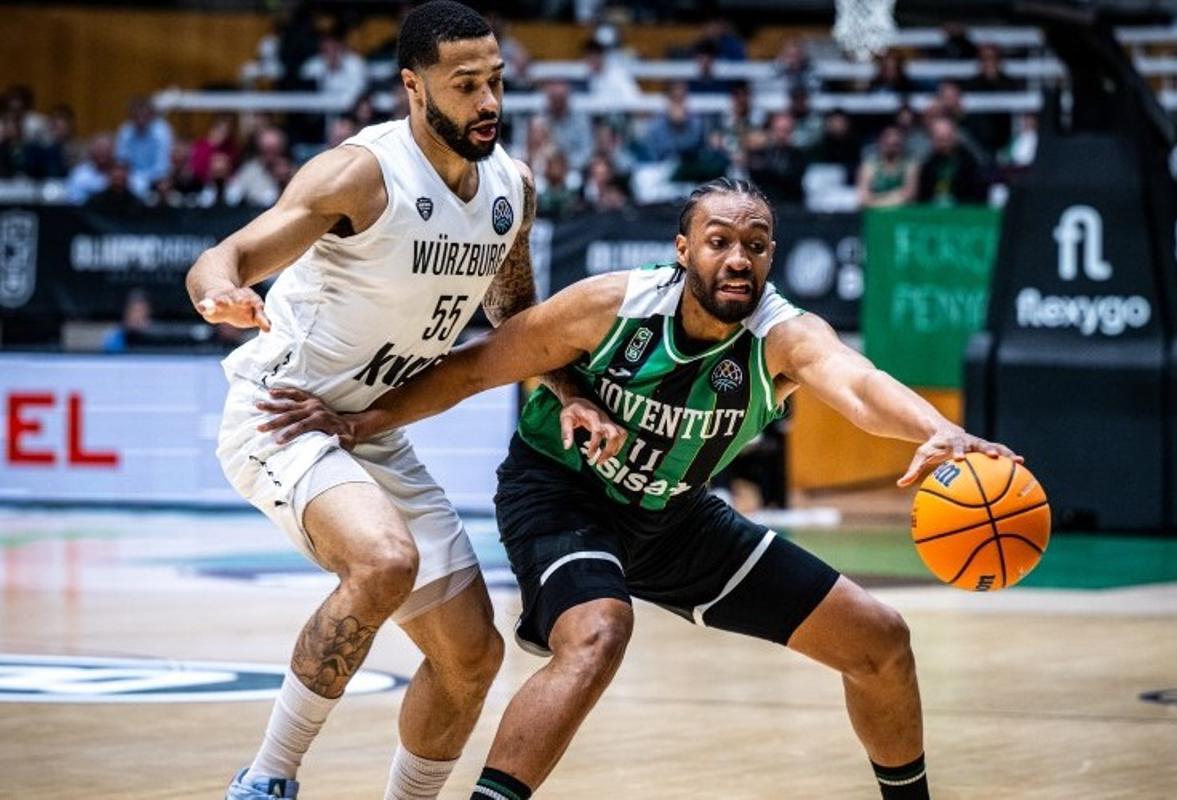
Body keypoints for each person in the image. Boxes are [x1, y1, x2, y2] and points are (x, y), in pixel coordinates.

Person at [261, 177, 1022, 800]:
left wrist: (935, 430)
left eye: (755, 245)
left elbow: (856, 383)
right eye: (720, 240)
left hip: (676, 515)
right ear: (683, 248)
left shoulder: (782, 334)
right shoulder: (612, 306)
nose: (738, 259)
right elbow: (474, 368)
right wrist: (357, 424)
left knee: (881, 640)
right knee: (598, 632)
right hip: (561, 494)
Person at [185, 4, 615, 799]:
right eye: (465, 86)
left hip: (368, 429)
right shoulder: (361, 174)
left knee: (472, 658)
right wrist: (220, 292)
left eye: (495, 83)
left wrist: (566, 387)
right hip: (285, 410)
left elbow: (514, 320)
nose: (488, 103)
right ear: (414, 88)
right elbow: (232, 252)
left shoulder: (509, 188)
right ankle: (266, 781)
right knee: (385, 561)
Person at [857, 126, 918, 208]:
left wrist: (876, 198)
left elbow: (909, 195)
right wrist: (896, 194)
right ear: (880, 142)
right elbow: (864, 198)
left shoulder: (910, 164)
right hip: (875, 213)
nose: (891, 147)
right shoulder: (869, 165)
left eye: (895, 144)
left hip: (901, 212)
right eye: (888, 143)